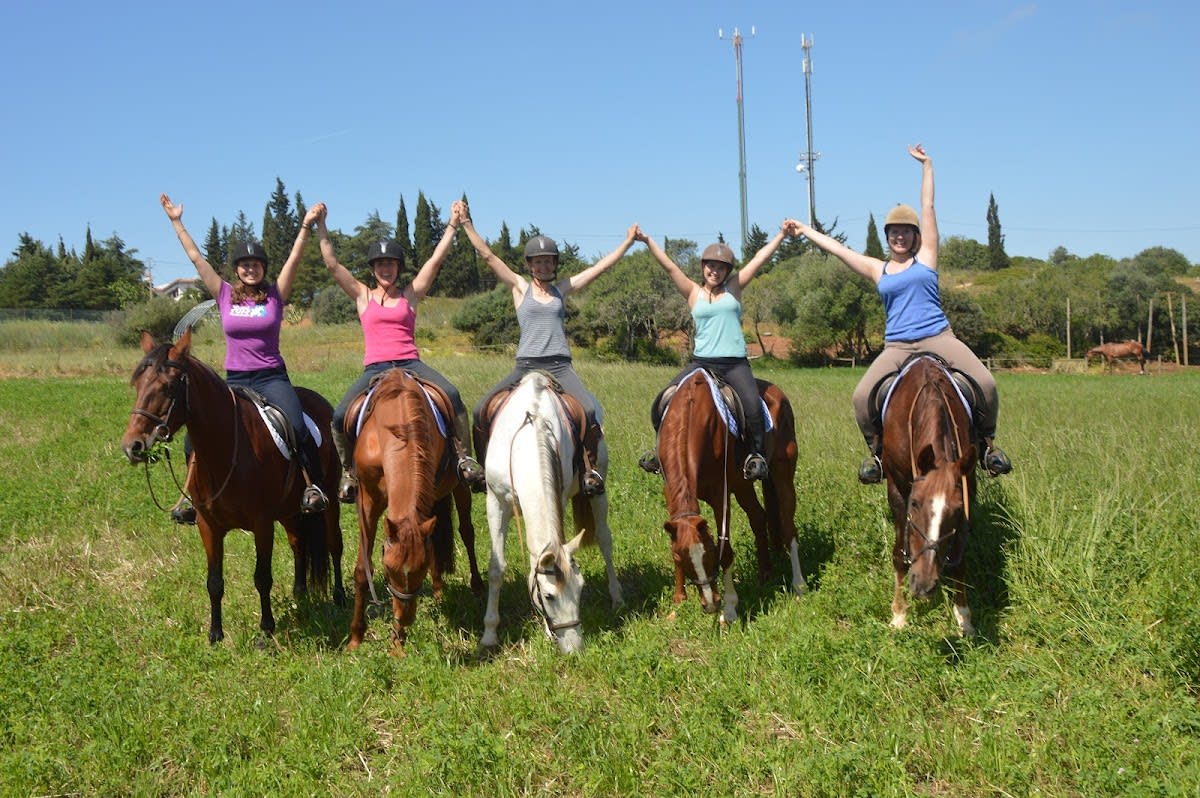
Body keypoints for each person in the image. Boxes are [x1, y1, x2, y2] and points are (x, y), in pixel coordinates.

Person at [792, 144, 1012, 483]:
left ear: (914, 236)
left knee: (986, 383)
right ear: (888, 237)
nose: (899, 235)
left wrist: (927, 166)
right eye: (893, 231)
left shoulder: (926, 258)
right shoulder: (877, 269)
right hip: (896, 346)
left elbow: (927, 206)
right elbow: (838, 249)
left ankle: (986, 446)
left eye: (905, 231)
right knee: (862, 397)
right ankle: (877, 455)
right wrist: (805, 231)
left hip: (938, 338)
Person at [160, 193, 329, 520]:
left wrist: (306, 227)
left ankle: (313, 485)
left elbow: (294, 259)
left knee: (297, 425)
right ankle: (195, 499)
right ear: (237, 270)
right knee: (193, 439)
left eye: (256, 264)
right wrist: (176, 222)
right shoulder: (223, 294)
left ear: (263, 268)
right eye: (244, 264)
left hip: (271, 378)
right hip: (234, 381)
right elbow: (197, 259)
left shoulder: (275, 296)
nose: (250, 268)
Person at [459, 201, 638, 495]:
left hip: (559, 365)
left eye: (548, 261)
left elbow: (600, 268)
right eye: (538, 261)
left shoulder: (562, 289)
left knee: (590, 411)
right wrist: (466, 224)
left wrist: (627, 243)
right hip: (525, 365)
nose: (544, 266)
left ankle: (590, 472)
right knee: (480, 410)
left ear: (555, 265)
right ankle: (484, 473)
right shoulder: (520, 287)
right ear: (530, 265)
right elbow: (489, 256)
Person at [313, 199, 484, 502]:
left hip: (410, 364)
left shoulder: (411, 294)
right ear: (373, 269)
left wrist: (453, 226)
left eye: (390, 264)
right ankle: (350, 473)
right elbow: (332, 264)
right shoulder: (362, 295)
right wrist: (321, 225)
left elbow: (435, 261)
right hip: (376, 368)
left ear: (398, 268)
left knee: (453, 396)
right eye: (380, 265)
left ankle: (463, 459)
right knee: (340, 416)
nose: (385, 269)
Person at [635, 221, 801, 480]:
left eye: (721, 267)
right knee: (663, 400)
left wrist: (781, 235)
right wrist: (647, 241)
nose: (715, 271)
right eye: (711, 265)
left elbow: (759, 259)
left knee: (753, 408)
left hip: (734, 364)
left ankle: (755, 455)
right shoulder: (693, 292)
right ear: (703, 267)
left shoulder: (733, 288)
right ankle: (661, 451)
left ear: (727, 271)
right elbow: (669, 266)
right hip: (701, 363)